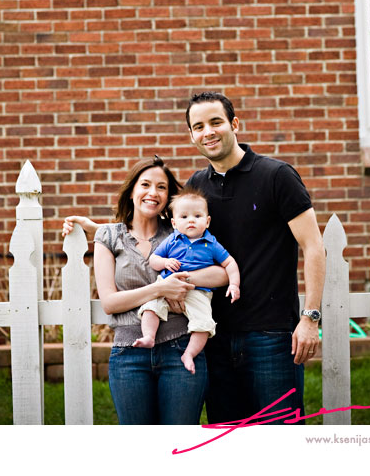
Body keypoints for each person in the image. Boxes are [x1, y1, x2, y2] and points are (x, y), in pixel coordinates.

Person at [184, 91, 326, 425]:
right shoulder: (196, 186)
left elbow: (314, 247)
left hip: (271, 336)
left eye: (216, 122)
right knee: (228, 437)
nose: (208, 132)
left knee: (280, 437)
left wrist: (310, 318)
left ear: (234, 124)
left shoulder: (277, 176)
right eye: (199, 126)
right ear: (191, 135)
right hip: (215, 337)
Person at [62, 155, 228, 425]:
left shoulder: (180, 232)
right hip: (129, 353)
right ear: (131, 191)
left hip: (180, 348)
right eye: (145, 185)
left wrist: (182, 282)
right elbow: (110, 303)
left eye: (161, 187)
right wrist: (161, 288)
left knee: (180, 438)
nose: (153, 193)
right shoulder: (109, 236)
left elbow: (221, 274)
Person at [134, 185, 241, 375]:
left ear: (207, 221)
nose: (191, 220)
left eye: (197, 216)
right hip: (166, 286)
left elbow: (230, 263)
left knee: (204, 323)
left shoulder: (211, 243)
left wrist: (234, 284)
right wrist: (165, 262)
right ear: (174, 223)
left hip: (198, 291)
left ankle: (189, 354)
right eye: (184, 217)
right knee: (150, 306)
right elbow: (153, 260)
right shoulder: (172, 240)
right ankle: (149, 336)